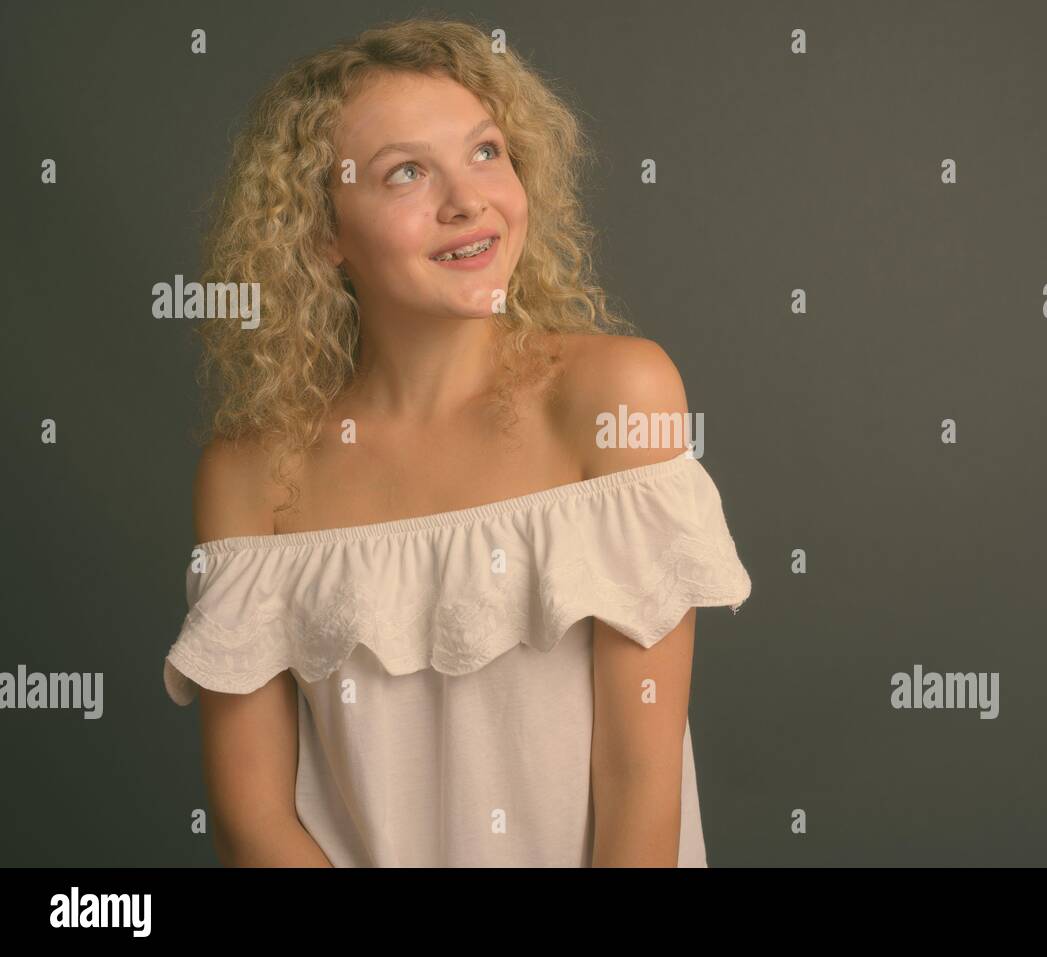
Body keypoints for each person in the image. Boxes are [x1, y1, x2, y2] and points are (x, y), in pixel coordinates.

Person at [163, 16, 751, 867]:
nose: (468, 200)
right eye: (407, 172)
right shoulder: (252, 475)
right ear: (323, 232)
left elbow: (639, 789)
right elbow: (254, 821)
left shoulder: (617, 398)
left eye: (485, 152)